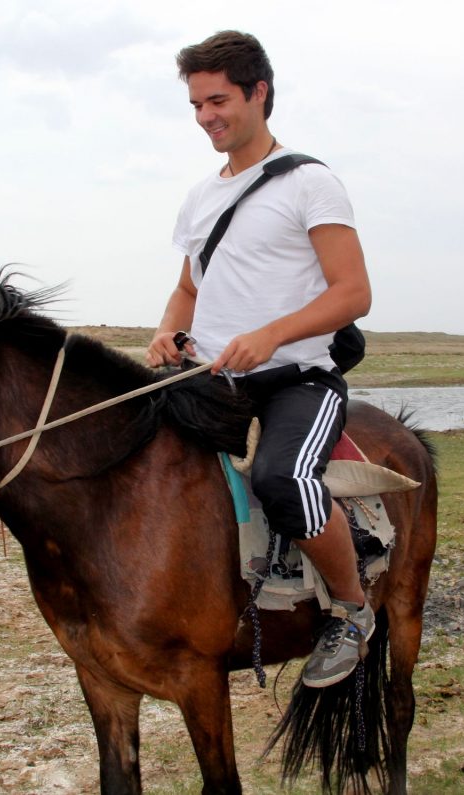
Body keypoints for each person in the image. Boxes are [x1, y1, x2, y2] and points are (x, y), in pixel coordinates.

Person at [146, 30, 373, 688]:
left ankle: (353, 611)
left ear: (258, 92)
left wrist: (272, 334)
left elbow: (354, 292)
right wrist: (166, 332)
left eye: (218, 100)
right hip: (213, 381)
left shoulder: (311, 183)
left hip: (296, 380)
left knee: (281, 479)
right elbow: (189, 288)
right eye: (195, 105)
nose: (206, 117)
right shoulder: (199, 197)